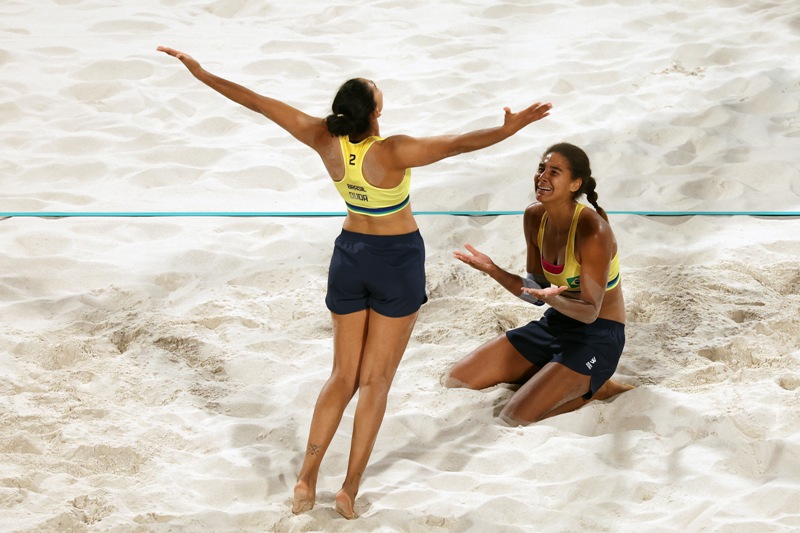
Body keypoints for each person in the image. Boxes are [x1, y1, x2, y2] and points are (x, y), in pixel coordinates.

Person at [157, 46, 552, 519]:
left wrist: (202, 73)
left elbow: (257, 101)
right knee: (376, 381)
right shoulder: (392, 151)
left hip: (349, 256)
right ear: (377, 113)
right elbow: (457, 144)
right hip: (396, 260)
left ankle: (305, 479)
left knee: (341, 377)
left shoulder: (322, 137)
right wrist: (509, 130)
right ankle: (347, 489)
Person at [446, 143, 633, 426]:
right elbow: (535, 291)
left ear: (575, 184)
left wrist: (553, 299)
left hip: (598, 336)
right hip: (556, 324)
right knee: (457, 379)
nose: (543, 176)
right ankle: (553, 377)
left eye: (554, 172)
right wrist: (493, 270)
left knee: (514, 417)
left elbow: (590, 312)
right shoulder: (535, 216)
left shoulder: (592, 231)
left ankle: (597, 389)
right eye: (541, 168)